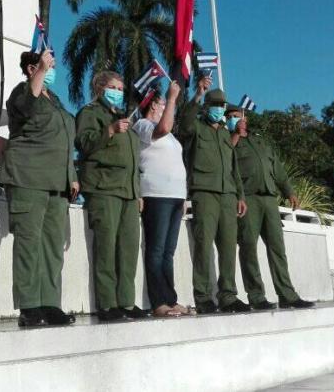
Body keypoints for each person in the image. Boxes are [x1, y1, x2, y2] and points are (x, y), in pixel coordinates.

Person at [0, 50, 79, 328]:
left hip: (57, 184)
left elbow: (65, 139)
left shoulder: (55, 101)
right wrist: (41, 71)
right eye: (46, 66)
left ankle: (50, 302)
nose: (51, 70)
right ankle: (30, 305)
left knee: (52, 248)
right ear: (32, 68)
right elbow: (26, 107)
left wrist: (72, 175)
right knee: (28, 245)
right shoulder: (22, 92)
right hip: (28, 179)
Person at [75, 71, 147, 322]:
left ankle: (126, 302)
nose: (118, 91)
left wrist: (137, 192)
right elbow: (84, 143)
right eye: (113, 87)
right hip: (104, 188)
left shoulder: (122, 116)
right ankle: (107, 305)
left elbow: (133, 161)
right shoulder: (91, 112)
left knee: (128, 249)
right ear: (100, 88)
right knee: (106, 248)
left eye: (120, 87)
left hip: (127, 192)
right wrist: (110, 130)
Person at [227, 106, 315, 310]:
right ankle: (257, 296)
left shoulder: (260, 140)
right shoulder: (227, 140)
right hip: (247, 199)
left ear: (245, 118)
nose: (234, 120)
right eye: (230, 118)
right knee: (248, 247)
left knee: (277, 248)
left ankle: (287, 294)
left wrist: (289, 191)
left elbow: (277, 168)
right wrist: (235, 136)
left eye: (237, 116)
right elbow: (225, 160)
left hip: (269, 199)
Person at [176, 78, 249, 314]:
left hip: (228, 195)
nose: (219, 109)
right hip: (204, 193)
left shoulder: (226, 136)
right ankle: (203, 297)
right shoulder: (197, 127)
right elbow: (184, 123)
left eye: (222, 105)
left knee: (228, 247)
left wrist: (240, 195)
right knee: (203, 246)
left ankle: (228, 296)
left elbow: (233, 168)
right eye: (215, 105)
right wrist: (197, 95)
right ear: (207, 107)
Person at [133, 81, 190, 318]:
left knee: (168, 252)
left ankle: (170, 298)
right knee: (155, 251)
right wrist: (173, 97)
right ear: (154, 105)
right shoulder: (143, 125)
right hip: (157, 195)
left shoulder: (170, 137)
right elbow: (164, 127)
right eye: (163, 103)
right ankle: (158, 302)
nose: (167, 105)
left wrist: (184, 197)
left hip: (175, 196)